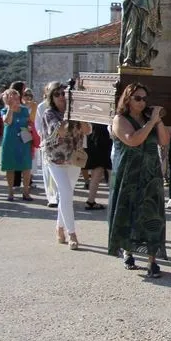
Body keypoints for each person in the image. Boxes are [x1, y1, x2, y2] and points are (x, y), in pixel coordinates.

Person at [108, 83, 170, 277]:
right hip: (129, 175)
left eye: (144, 98)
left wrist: (158, 121)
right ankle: (128, 251)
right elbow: (133, 139)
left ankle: (152, 260)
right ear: (128, 99)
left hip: (151, 175)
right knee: (129, 214)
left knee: (153, 216)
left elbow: (164, 141)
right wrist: (151, 122)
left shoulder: (149, 119)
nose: (142, 102)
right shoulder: (120, 119)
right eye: (137, 98)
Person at [41, 82, 91, 250]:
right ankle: (72, 233)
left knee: (66, 196)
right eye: (58, 94)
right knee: (66, 193)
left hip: (74, 159)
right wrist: (69, 114)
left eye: (64, 93)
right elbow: (60, 131)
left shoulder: (76, 110)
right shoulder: (49, 113)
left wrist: (79, 112)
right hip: (56, 159)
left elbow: (87, 129)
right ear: (52, 98)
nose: (62, 97)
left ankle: (59, 227)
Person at [0, 89, 34, 202]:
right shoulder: (4, 110)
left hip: (24, 140)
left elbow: (29, 121)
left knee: (26, 166)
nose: (14, 99)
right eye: (11, 97)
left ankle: (26, 191)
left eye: (16, 97)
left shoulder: (24, 110)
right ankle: (10, 191)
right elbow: (7, 122)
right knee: (10, 166)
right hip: (10, 140)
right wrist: (10, 108)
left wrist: (29, 126)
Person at [35, 86, 59, 208]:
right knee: (48, 172)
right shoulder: (42, 107)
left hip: (62, 146)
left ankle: (59, 195)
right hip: (48, 143)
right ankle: (51, 197)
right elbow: (38, 125)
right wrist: (46, 137)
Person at [81, 123, 111, 210]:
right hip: (106, 136)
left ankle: (90, 201)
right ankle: (113, 202)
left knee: (97, 170)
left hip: (93, 136)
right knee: (110, 171)